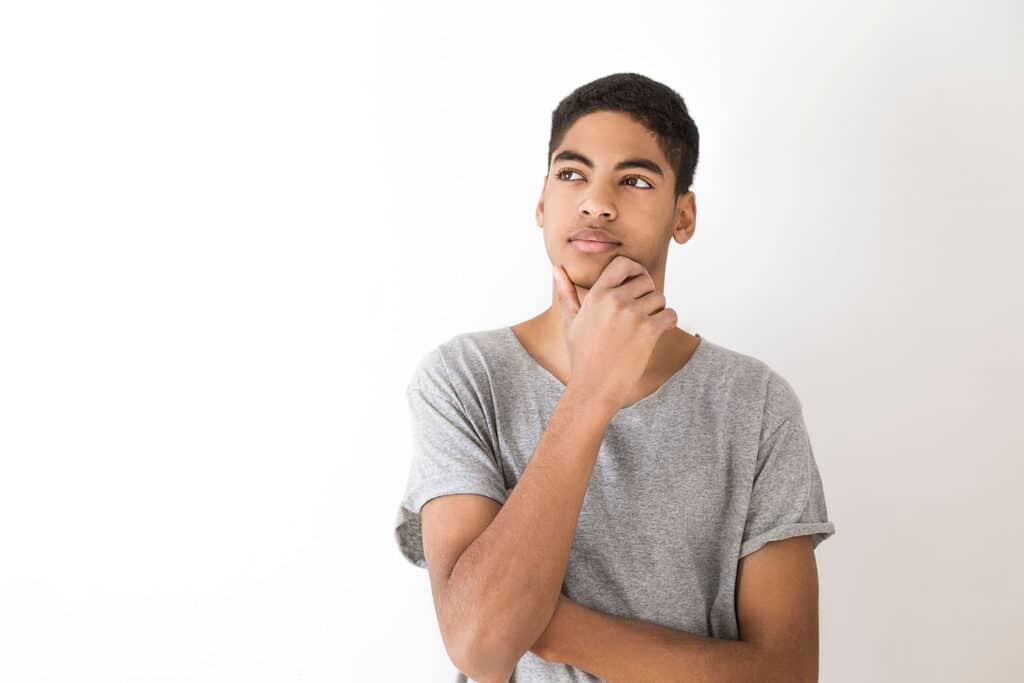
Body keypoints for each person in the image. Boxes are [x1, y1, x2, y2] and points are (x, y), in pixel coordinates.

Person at [393, 72, 836, 683]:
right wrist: (591, 393)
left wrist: (541, 621)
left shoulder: (754, 403)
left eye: (633, 180)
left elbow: (786, 675)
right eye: (572, 174)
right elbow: (479, 646)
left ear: (684, 215)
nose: (596, 202)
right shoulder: (465, 379)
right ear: (542, 202)